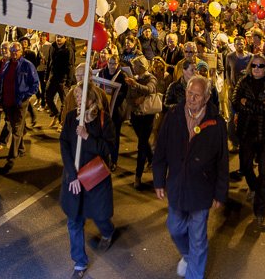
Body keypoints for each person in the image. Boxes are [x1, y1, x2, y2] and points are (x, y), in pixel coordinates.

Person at [153, 74, 228, 279]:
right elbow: (160, 150)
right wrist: (158, 179)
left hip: (202, 189)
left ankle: (194, 273)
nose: (191, 98)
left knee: (197, 238)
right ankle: (188, 256)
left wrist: (220, 193)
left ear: (206, 98)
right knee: (175, 228)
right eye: (189, 93)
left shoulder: (216, 123)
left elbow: (222, 161)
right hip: (177, 185)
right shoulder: (173, 115)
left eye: (197, 95)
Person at [59, 80, 116, 278]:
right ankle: (79, 262)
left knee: (99, 216)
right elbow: (64, 144)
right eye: (75, 95)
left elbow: (109, 148)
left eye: (80, 95)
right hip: (74, 179)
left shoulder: (103, 119)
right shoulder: (70, 118)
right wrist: (71, 175)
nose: (77, 99)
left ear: (90, 98)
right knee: (74, 220)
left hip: (95, 179)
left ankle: (108, 231)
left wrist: (87, 137)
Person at [232, 54, 265, 231]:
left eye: (260, 66)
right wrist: (259, 104)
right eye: (254, 66)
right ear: (250, 67)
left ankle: (260, 213)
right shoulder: (243, 82)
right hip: (247, 134)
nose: (257, 69)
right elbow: (235, 102)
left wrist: (248, 103)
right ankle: (254, 188)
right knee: (245, 166)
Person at [0, 41, 40, 173]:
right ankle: (21, 149)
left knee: (16, 129)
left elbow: (35, 84)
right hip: (7, 102)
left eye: (16, 51)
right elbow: (2, 82)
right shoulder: (7, 64)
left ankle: (11, 157)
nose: (14, 53)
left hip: (20, 102)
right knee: (13, 125)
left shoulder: (27, 65)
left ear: (21, 52)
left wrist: (25, 96)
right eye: (12, 51)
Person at [124, 55, 158, 190]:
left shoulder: (151, 78)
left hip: (147, 116)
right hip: (135, 116)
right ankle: (152, 159)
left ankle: (138, 176)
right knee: (143, 141)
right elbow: (128, 97)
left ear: (142, 67)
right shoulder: (134, 78)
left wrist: (135, 84)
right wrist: (134, 102)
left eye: (135, 66)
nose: (133, 68)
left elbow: (150, 89)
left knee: (141, 145)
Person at [45, 35, 76, 129]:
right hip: (53, 78)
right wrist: (46, 76)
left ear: (65, 38)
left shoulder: (68, 49)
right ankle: (57, 115)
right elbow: (49, 61)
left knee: (64, 102)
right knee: (48, 97)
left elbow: (71, 66)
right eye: (57, 36)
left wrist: (68, 82)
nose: (58, 38)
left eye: (61, 37)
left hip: (63, 79)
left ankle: (62, 123)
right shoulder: (53, 46)